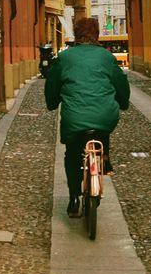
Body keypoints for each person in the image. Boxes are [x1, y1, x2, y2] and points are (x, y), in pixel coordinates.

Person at [44, 15, 130, 216]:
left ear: (76, 34)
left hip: (74, 119)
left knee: (72, 154)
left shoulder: (65, 57)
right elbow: (121, 85)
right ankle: (104, 158)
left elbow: (52, 85)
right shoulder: (107, 57)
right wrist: (122, 103)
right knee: (101, 123)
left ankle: (74, 198)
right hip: (105, 117)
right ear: (96, 34)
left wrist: (52, 103)